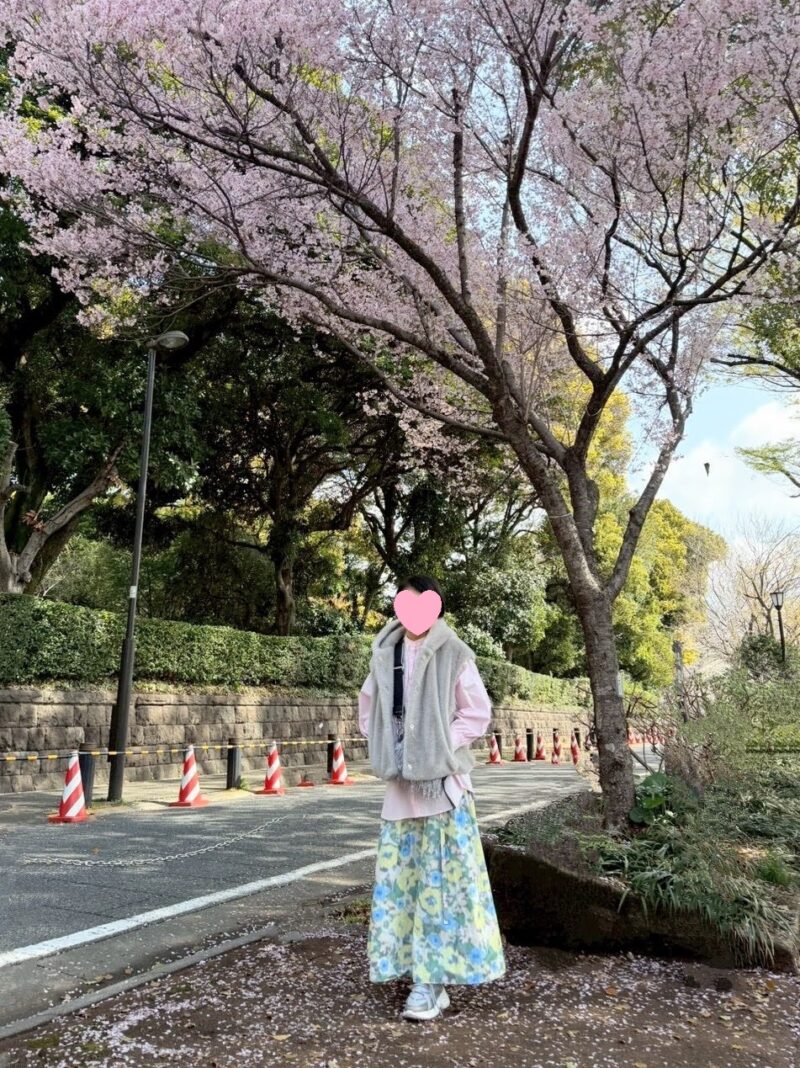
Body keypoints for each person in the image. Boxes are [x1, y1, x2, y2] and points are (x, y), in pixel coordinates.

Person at [358, 575, 506, 1021]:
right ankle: (411, 970)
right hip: (400, 789)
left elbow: (476, 713)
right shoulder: (385, 653)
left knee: (441, 889)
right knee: (403, 886)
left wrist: (437, 747)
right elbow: (369, 712)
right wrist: (391, 747)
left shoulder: (454, 653)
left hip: (442, 790)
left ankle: (432, 981)